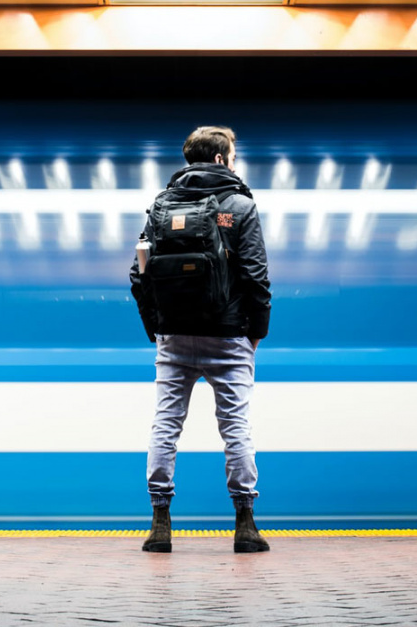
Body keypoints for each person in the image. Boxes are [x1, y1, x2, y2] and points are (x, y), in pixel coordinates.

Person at [130, 125, 272, 554]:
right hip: (229, 337)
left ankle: (159, 523)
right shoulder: (240, 205)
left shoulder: (160, 204)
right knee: (235, 427)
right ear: (220, 159)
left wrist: (155, 327)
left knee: (166, 424)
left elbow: (139, 274)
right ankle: (245, 524)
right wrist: (256, 333)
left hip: (173, 336)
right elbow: (256, 276)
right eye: (233, 155)